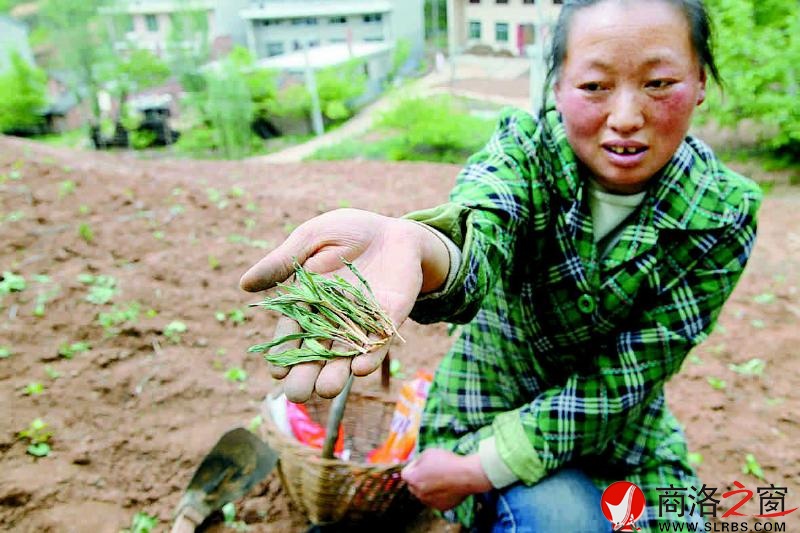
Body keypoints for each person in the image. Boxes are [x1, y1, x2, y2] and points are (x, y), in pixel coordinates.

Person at [240, 0, 762, 530]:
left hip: (623, 436)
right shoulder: (524, 154)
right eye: (594, 86)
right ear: (557, 87)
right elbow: (483, 220)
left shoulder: (724, 211)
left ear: (699, 81)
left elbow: (625, 379)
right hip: (484, 416)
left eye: (658, 83)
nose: (626, 117)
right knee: (564, 521)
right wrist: (422, 245)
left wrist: (476, 471)